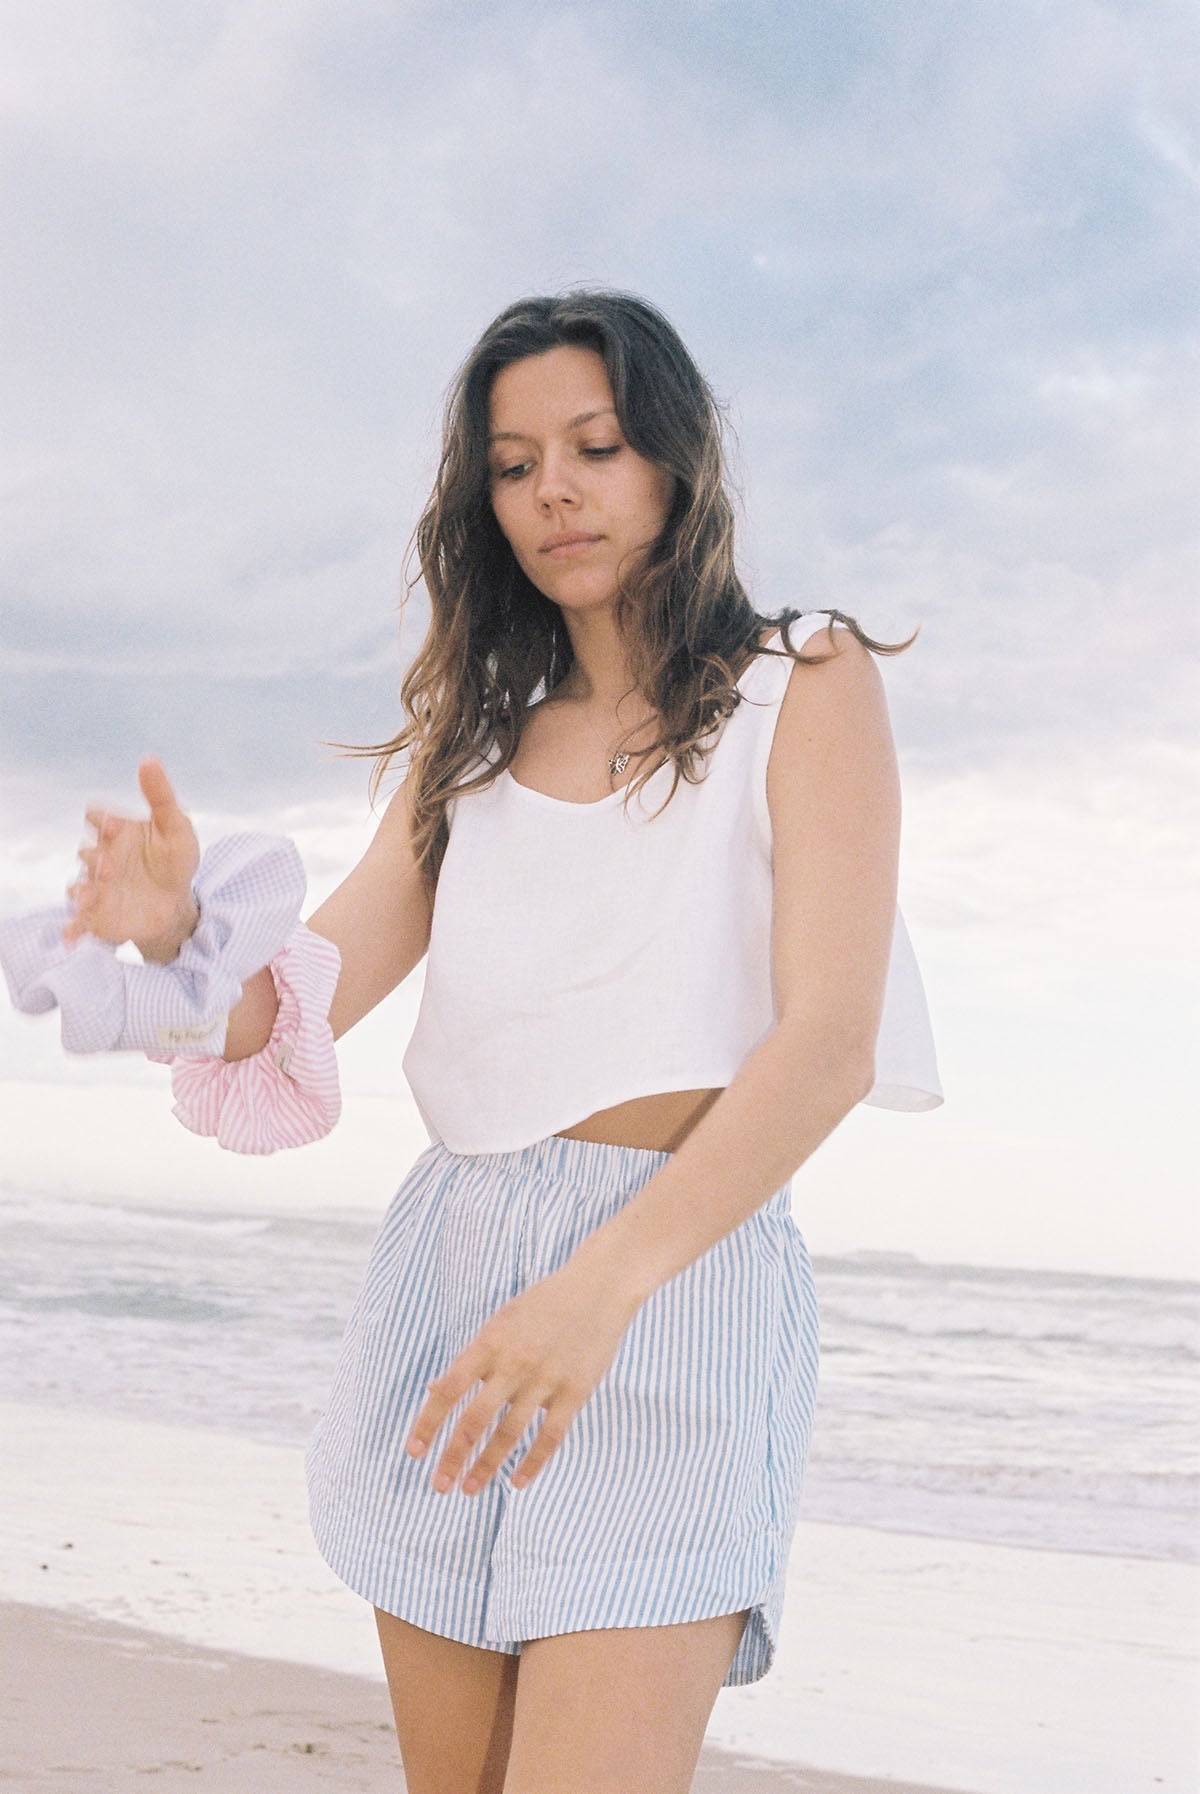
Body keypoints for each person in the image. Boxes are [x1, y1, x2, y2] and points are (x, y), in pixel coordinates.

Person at [0, 290, 942, 1793]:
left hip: (672, 1279)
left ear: (674, 463)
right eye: (513, 463)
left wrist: (600, 1286)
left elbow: (828, 1041)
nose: (554, 490)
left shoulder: (802, 681)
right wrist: (179, 932)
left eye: (596, 444)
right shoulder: (477, 739)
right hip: (455, 1273)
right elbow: (292, 999)